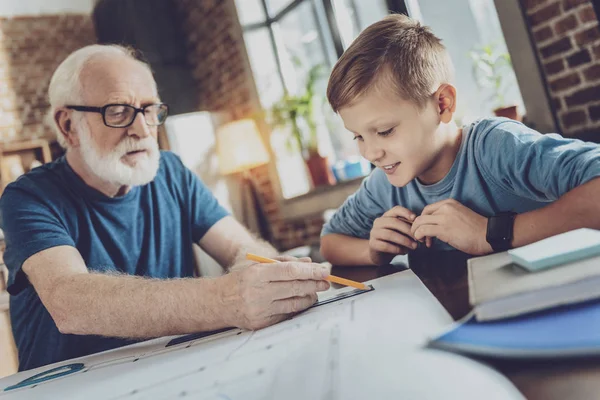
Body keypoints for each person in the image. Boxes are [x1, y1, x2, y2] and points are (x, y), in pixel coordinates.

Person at [0, 44, 330, 371]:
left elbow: (242, 248)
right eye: (117, 111)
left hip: (170, 372)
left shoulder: (171, 172)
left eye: (149, 110)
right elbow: (70, 302)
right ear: (68, 126)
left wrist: (269, 275)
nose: (143, 130)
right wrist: (227, 299)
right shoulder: (28, 196)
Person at [320, 14, 600, 266]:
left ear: (442, 104)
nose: (370, 153)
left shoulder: (496, 147)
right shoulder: (385, 185)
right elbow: (331, 242)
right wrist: (371, 250)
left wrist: (491, 233)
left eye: (384, 131)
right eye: (358, 136)